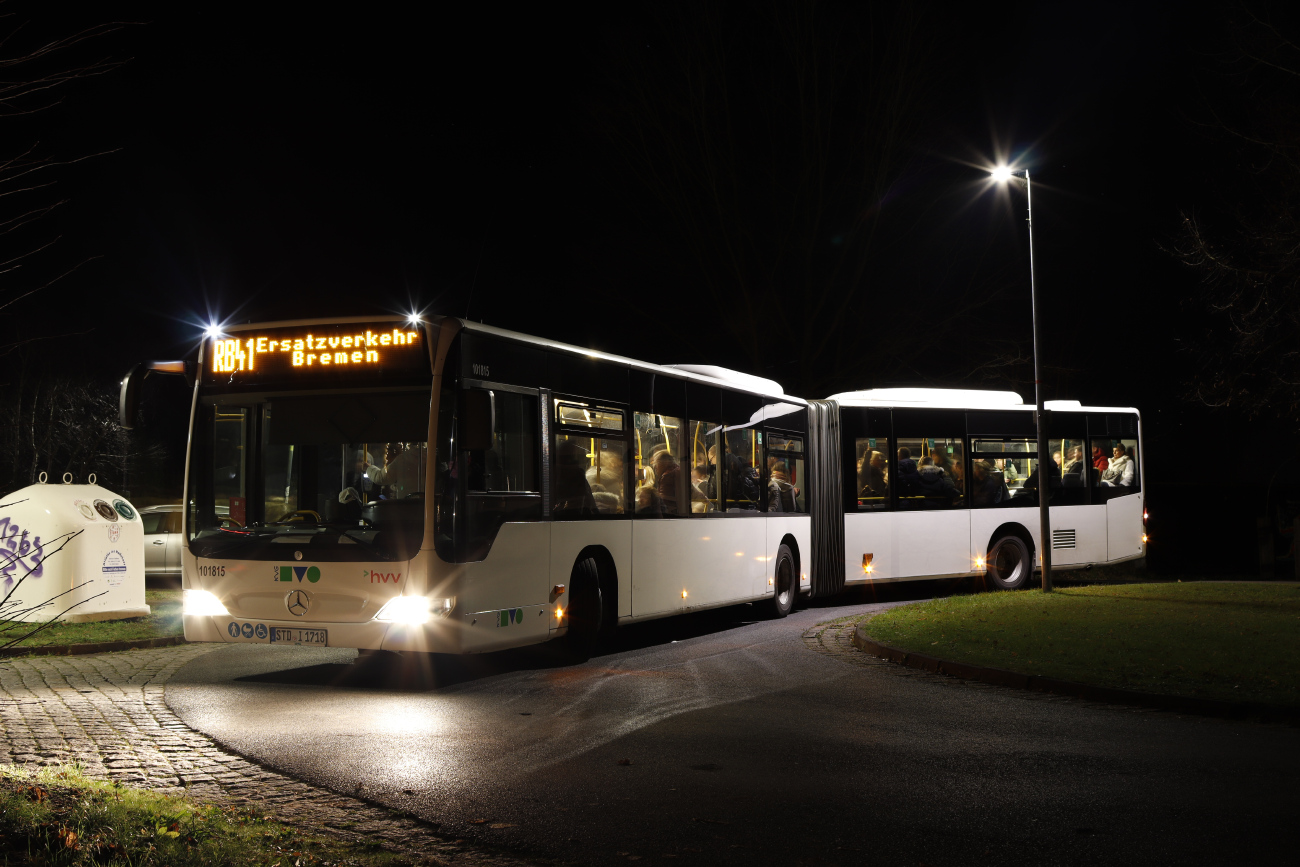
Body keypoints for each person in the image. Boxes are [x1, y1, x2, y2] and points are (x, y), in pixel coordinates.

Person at [651, 451, 683, 515]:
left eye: (656, 464)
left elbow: (663, 500)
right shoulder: (679, 470)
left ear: (664, 463)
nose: (655, 468)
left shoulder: (667, 476)